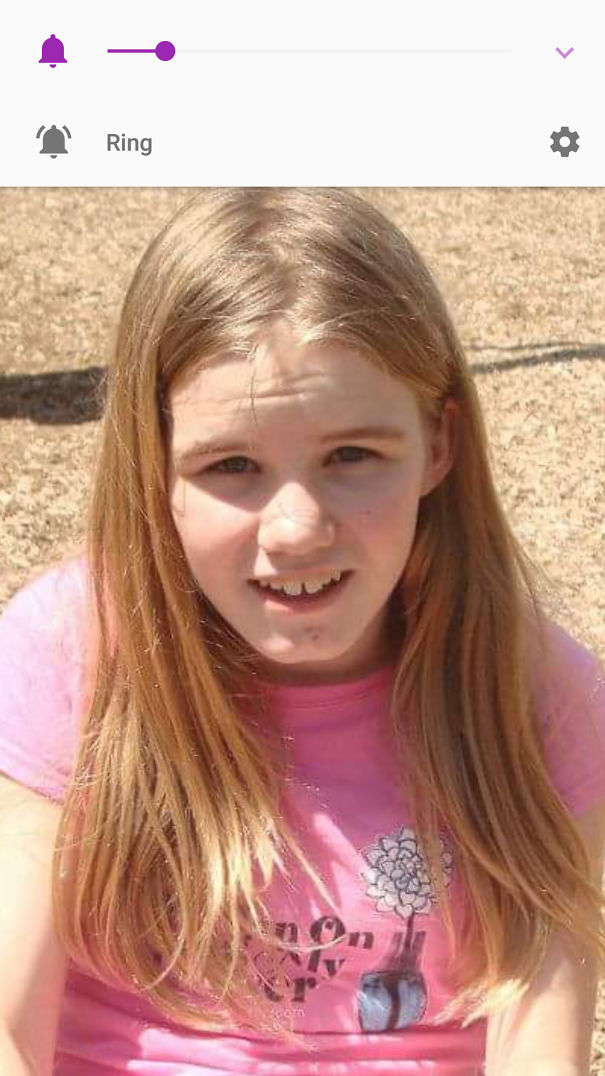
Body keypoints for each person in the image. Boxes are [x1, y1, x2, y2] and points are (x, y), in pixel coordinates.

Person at [0, 187, 604, 1076]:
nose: (295, 529)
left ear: (438, 446)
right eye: (230, 465)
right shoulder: (73, 651)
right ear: (152, 464)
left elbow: (541, 1045)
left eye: (351, 455)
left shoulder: (533, 691)